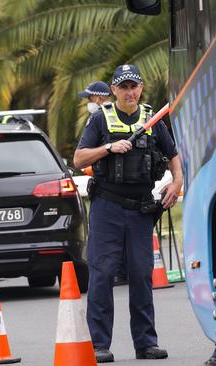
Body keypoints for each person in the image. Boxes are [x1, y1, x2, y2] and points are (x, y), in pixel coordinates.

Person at [73, 64, 183, 363]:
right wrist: (108, 148)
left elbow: (173, 155)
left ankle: (146, 343)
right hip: (107, 207)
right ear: (114, 90)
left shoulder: (152, 119)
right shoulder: (100, 119)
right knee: (102, 274)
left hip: (140, 209)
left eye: (134, 86)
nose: (130, 92)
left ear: (141, 88)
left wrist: (177, 182)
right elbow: (79, 157)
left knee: (141, 275)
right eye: (124, 87)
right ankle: (98, 344)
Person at [79, 81, 128, 287]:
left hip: (109, 187)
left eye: (90, 98)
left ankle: (118, 271)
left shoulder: (100, 118)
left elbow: (85, 154)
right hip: (113, 184)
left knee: (110, 238)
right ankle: (121, 270)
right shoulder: (110, 116)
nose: (89, 102)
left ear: (99, 98)